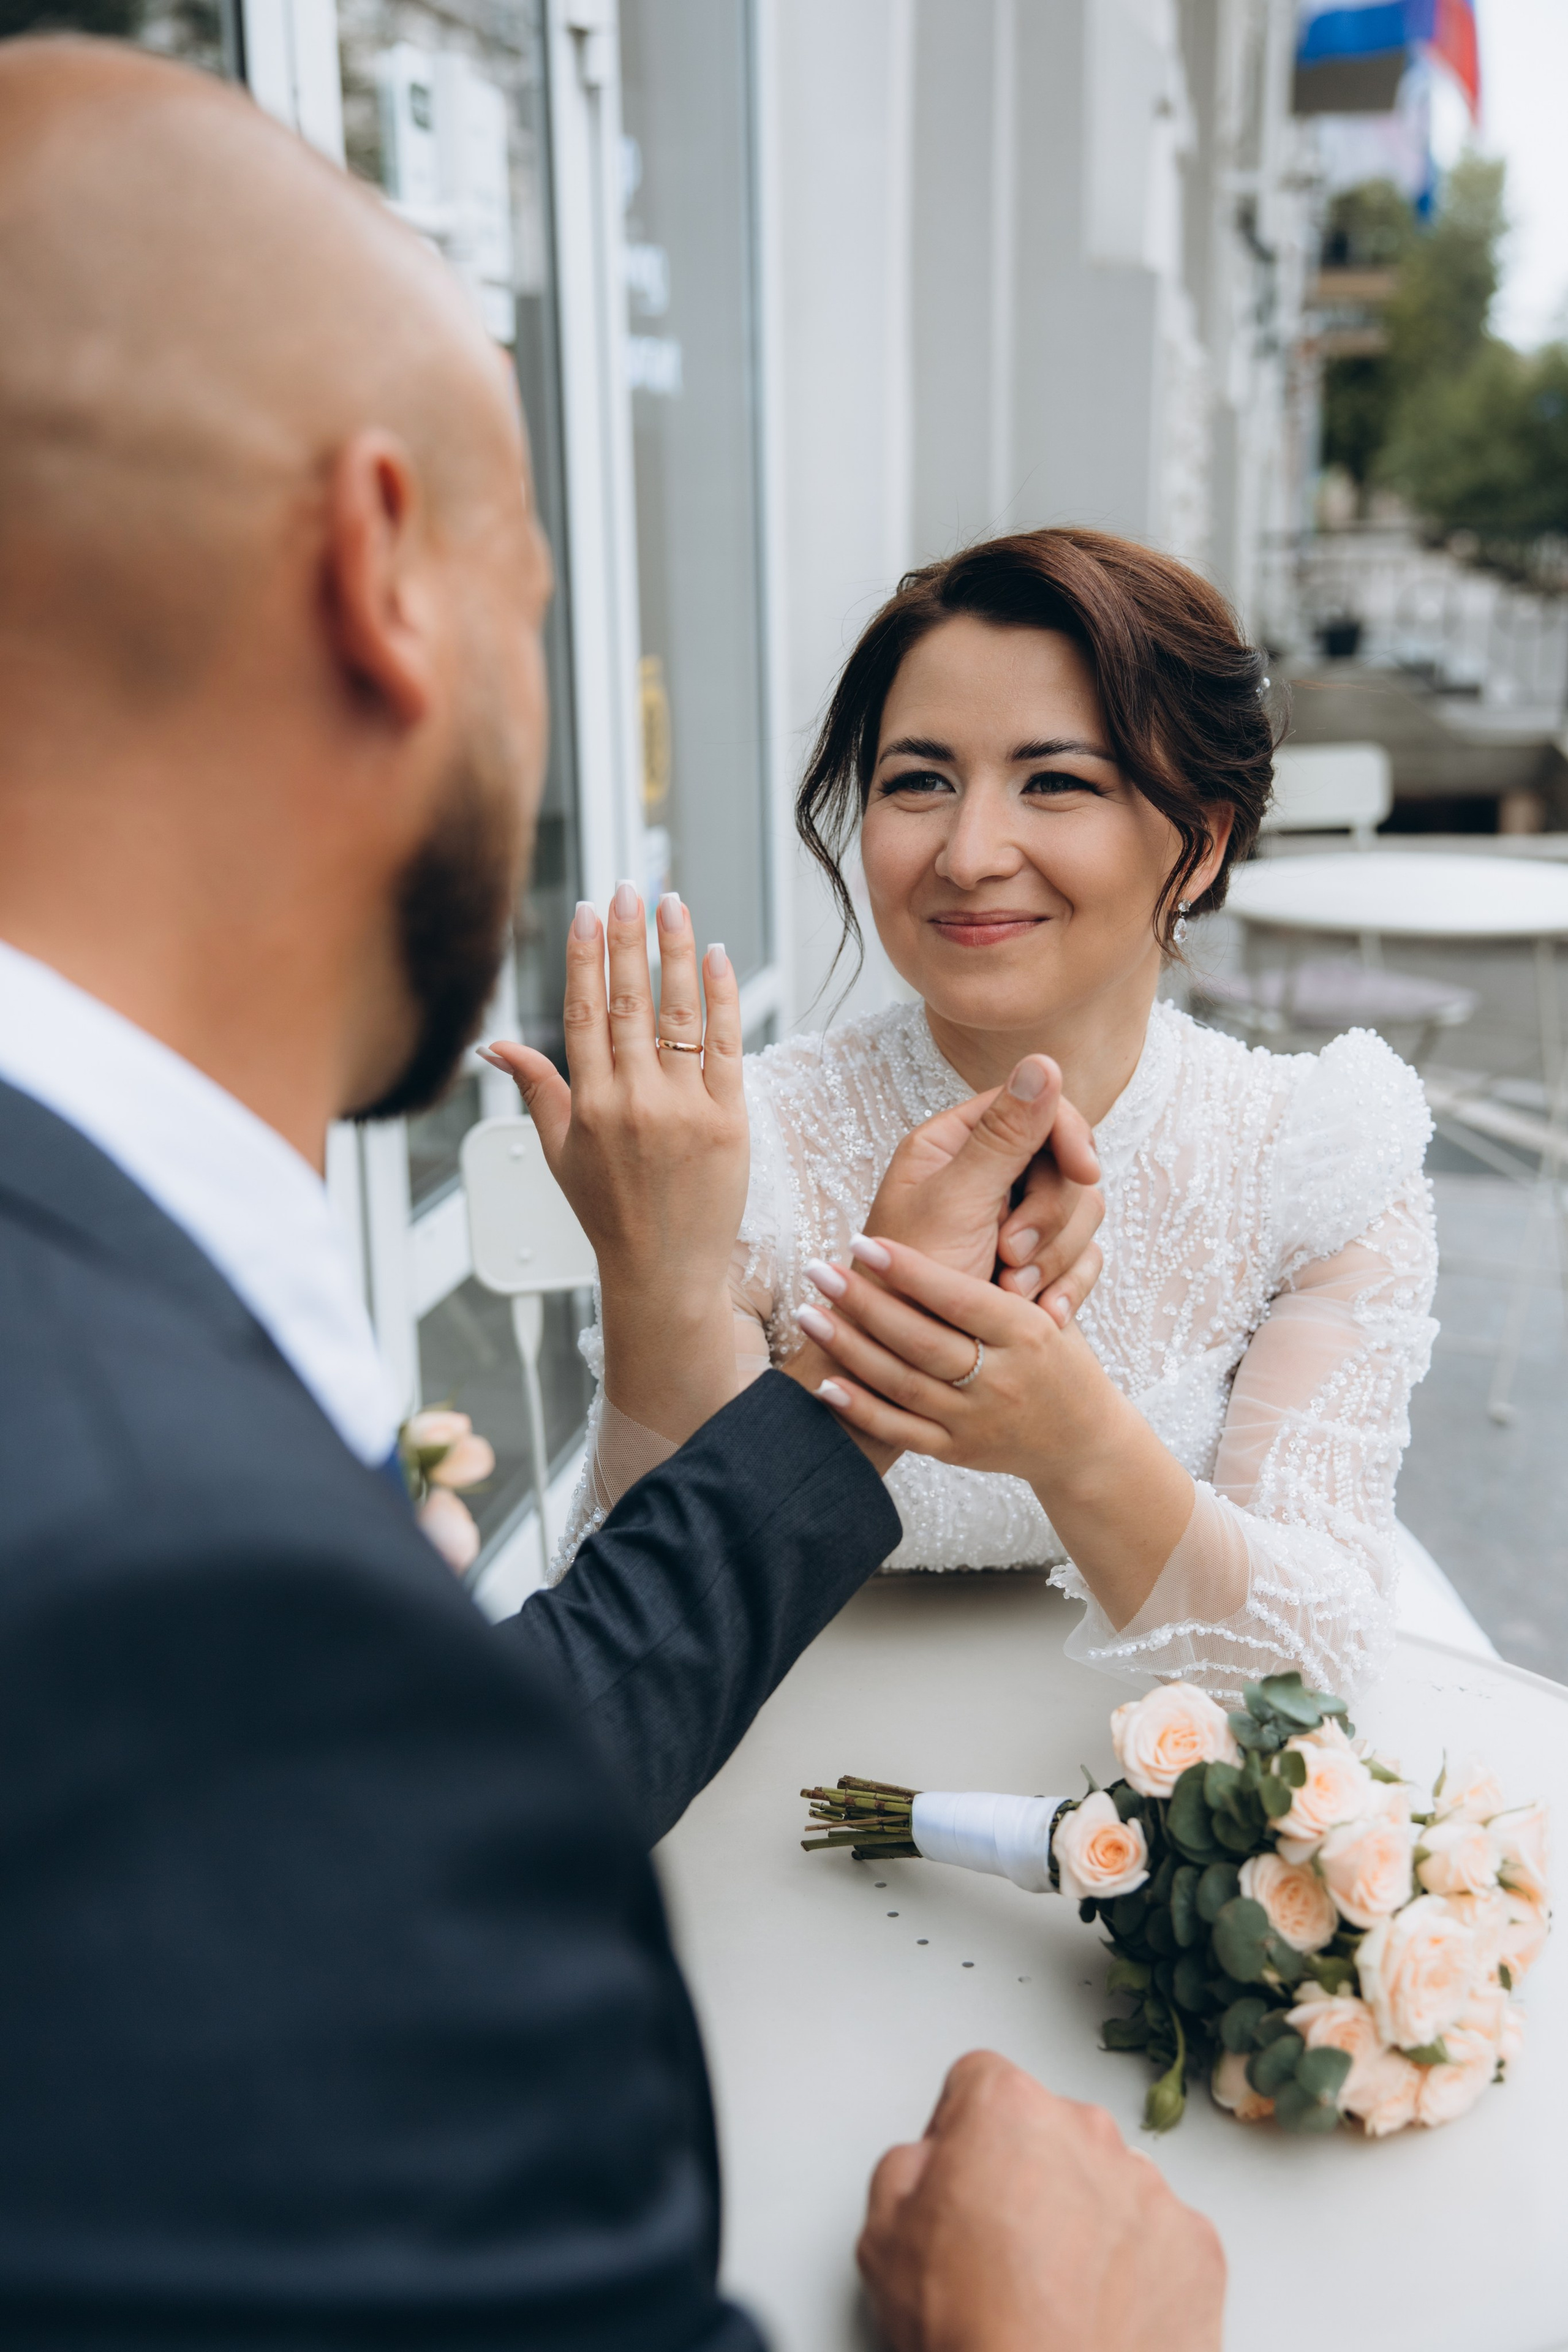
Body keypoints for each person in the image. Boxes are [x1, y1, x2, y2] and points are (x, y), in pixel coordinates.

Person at [0, 37, 1223, 2351]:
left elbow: (339, 1858)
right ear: (390, 576)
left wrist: (851, 1397)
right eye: (544, 597)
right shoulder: (152, 1590)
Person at [541, 533, 1438, 1702]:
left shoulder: (1314, 1150)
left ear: (1203, 838)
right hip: (771, 1756)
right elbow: (641, 1628)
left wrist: (1076, 1442)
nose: (969, 855)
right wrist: (653, 1275)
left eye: (1056, 781)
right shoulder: (745, 1143)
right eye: (919, 781)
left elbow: (1312, 1670)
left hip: (1136, 1792)